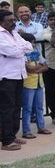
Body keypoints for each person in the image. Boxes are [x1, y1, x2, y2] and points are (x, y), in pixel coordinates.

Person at [0, 10, 34, 151]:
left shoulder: (14, 33)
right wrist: (19, 50)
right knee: (6, 109)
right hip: (6, 76)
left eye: (14, 20)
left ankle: (12, 135)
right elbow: (12, 52)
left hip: (19, 75)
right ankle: (6, 141)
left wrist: (18, 49)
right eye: (11, 20)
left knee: (16, 107)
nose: (14, 23)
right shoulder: (1, 35)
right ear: (2, 22)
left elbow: (30, 47)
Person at [20, 32, 50, 139]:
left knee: (39, 107)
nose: (32, 45)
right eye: (30, 43)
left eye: (33, 42)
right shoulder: (22, 54)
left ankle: (41, 127)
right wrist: (39, 67)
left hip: (39, 83)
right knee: (27, 108)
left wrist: (37, 69)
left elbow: (46, 66)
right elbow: (29, 69)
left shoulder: (37, 52)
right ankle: (26, 131)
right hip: (28, 84)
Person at [41, 14, 55, 124]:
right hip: (50, 65)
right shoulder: (45, 32)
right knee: (50, 92)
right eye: (51, 20)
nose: (53, 22)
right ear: (48, 21)